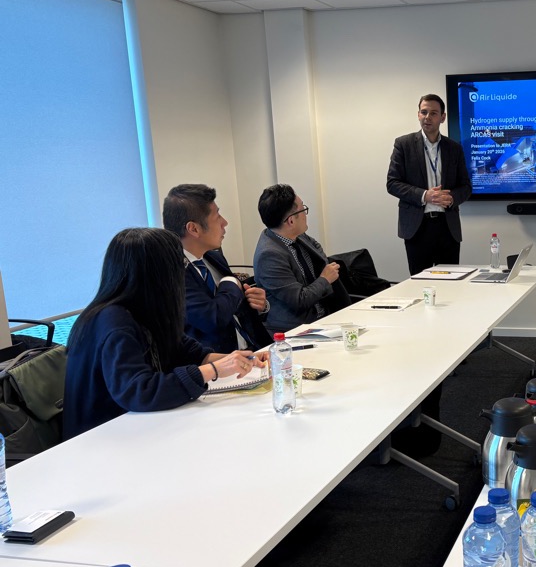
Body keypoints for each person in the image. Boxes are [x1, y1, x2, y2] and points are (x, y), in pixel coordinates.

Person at [64, 228, 267, 439]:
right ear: (157, 274)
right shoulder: (114, 322)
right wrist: (213, 370)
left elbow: (184, 351)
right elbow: (140, 391)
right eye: (180, 265)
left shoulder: (143, 309)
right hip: (101, 439)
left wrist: (240, 360)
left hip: (136, 427)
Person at [163, 184, 272, 353]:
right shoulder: (173, 271)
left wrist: (259, 305)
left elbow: (233, 307)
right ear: (194, 228)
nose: (224, 223)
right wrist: (230, 282)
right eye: (217, 216)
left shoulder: (212, 257)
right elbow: (211, 319)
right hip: (219, 361)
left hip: (254, 349)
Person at [386, 93, 473, 275]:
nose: (427, 117)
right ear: (418, 114)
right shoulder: (403, 144)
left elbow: (466, 186)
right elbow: (392, 183)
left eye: (433, 113)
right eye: (424, 112)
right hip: (417, 227)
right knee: (420, 283)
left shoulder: (454, 148)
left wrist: (452, 198)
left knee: (450, 282)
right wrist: (425, 195)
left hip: (447, 227)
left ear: (443, 117)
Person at [253, 184, 351, 334]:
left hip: (325, 317)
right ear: (291, 221)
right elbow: (299, 300)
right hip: (296, 330)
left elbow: (318, 251)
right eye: (303, 209)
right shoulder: (269, 256)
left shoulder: (296, 235)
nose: (306, 214)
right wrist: (325, 279)